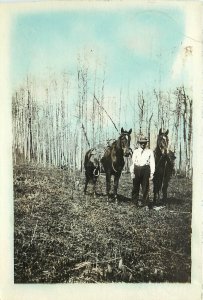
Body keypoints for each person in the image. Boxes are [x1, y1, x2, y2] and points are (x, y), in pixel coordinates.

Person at [130, 135, 155, 209]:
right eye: (141, 143)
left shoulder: (150, 152)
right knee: (135, 187)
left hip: (145, 169)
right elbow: (132, 163)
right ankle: (134, 203)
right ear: (139, 143)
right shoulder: (135, 151)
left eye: (144, 143)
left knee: (145, 187)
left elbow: (152, 163)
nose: (143, 144)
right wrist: (132, 172)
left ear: (146, 143)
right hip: (136, 169)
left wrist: (152, 173)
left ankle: (145, 204)